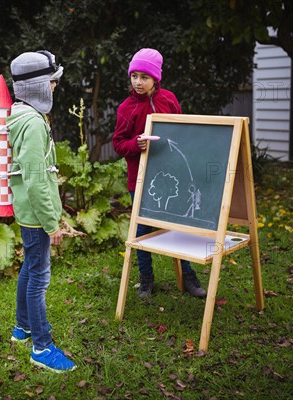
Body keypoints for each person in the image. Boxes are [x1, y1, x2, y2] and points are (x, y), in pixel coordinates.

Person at [112, 48, 207, 299]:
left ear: (156, 79)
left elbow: (182, 131)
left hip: (174, 174)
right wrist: (136, 144)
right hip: (141, 179)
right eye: (134, 76)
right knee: (143, 229)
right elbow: (118, 143)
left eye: (144, 77)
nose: (138, 82)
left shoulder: (169, 100)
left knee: (178, 225)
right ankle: (146, 279)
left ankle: (188, 276)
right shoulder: (126, 108)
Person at [7, 50, 76, 373]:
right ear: (36, 86)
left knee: (30, 267)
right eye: (51, 82)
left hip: (27, 212)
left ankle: (22, 328)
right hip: (36, 215)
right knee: (39, 277)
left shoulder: (20, 114)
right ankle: (42, 346)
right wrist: (52, 224)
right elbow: (35, 180)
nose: (54, 88)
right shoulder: (33, 123)